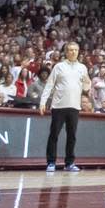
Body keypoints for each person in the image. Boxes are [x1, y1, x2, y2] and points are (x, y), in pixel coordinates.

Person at [39, 42, 90, 172]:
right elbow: (50, 85)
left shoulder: (83, 68)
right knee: (54, 134)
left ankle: (69, 163)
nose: (73, 52)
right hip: (58, 106)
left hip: (74, 107)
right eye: (70, 50)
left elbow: (85, 87)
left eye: (75, 50)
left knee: (72, 136)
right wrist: (42, 102)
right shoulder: (59, 67)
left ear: (78, 52)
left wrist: (87, 83)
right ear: (66, 52)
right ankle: (51, 162)